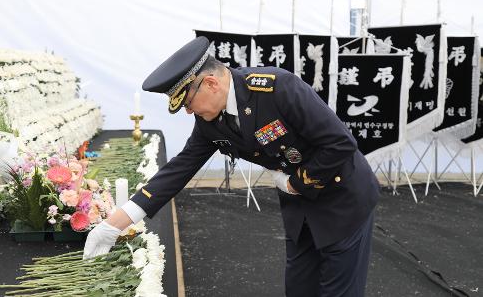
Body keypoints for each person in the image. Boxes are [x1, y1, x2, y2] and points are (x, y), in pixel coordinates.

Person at [83, 36, 380, 297]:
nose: (188, 112)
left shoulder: (276, 89)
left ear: (210, 83)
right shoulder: (210, 122)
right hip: (300, 212)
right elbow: (179, 169)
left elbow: (340, 144)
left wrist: (295, 184)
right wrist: (114, 224)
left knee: (337, 291)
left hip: (343, 198)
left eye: (187, 103)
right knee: (300, 288)